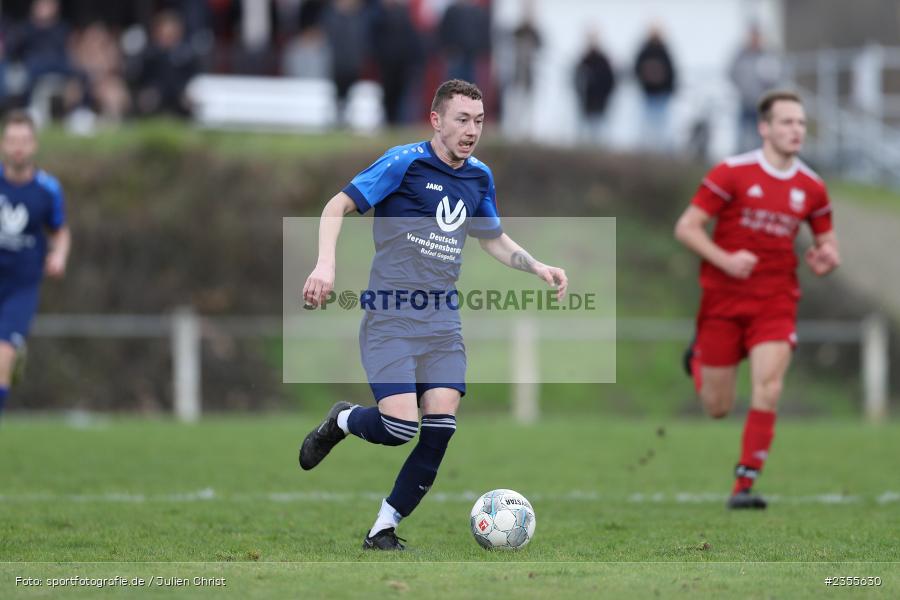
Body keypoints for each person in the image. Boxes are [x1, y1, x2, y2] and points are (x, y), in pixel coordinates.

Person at [298, 79, 567, 549]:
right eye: (462, 120)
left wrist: (536, 266)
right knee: (399, 427)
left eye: (479, 121)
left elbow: (491, 238)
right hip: (391, 316)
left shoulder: (479, 176)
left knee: (440, 426)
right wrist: (325, 264)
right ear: (436, 120)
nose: (472, 130)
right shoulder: (403, 163)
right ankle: (342, 421)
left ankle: (383, 529)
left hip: (442, 320)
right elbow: (337, 205)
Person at [674, 90, 839, 509]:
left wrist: (825, 258)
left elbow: (827, 244)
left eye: (801, 123)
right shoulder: (732, 172)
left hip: (775, 301)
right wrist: (726, 260)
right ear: (765, 128)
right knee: (717, 407)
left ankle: (743, 485)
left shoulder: (812, 187)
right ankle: (698, 358)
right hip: (723, 302)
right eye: (787, 122)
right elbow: (687, 227)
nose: (796, 130)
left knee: (769, 386)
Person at [0, 111, 70, 418]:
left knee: (1, 358)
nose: (18, 147)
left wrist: (59, 255)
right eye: (12, 140)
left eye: (24, 140)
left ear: (34, 145)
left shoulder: (47, 189)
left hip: (21, 287)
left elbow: (60, 231)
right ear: (3, 144)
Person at [730, 26, 782, 153]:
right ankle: (741, 158)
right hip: (745, 101)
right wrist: (742, 88)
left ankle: (761, 158)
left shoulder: (767, 55)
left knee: (761, 134)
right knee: (742, 135)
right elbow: (732, 73)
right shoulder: (741, 55)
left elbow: (775, 75)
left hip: (761, 103)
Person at [633, 25, 676, 152]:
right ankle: (647, 148)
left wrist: (669, 88)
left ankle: (660, 148)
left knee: (662, 123)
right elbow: (637, 70)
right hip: (648, 93)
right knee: (647, 122)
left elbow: (671, 72)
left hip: (662, 94)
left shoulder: (664, 51)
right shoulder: (645, 51)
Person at [573, 29, 615, 146]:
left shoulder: (603, 60)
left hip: (600, 100)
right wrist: (579, 93)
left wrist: (606, 94)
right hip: (586, 100)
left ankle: (598, 148)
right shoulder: (583, 59)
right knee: (584, 129)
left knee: (598, 129)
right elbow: (577, 79)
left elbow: (609, 79)